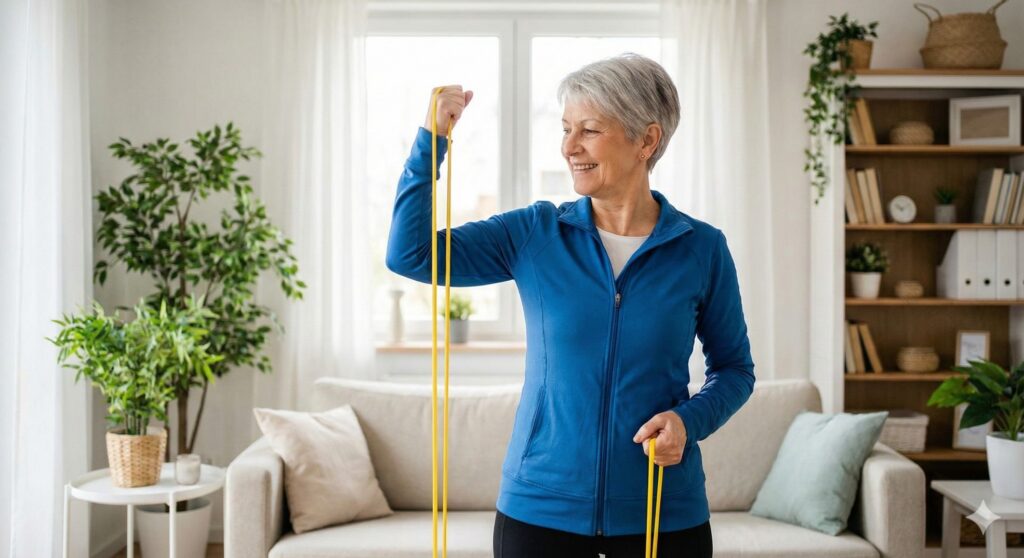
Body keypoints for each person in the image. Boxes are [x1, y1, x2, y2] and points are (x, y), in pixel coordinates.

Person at [386, 53, 755, 558]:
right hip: (538, 516)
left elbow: (734, 369)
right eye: (565, 129)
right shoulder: (534, 233)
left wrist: (689, 423)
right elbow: (412, 254)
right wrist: (431, 143)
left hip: (662, 516)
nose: (569, 147)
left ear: (646, 140)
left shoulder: (702, 248)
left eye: (589, 130)